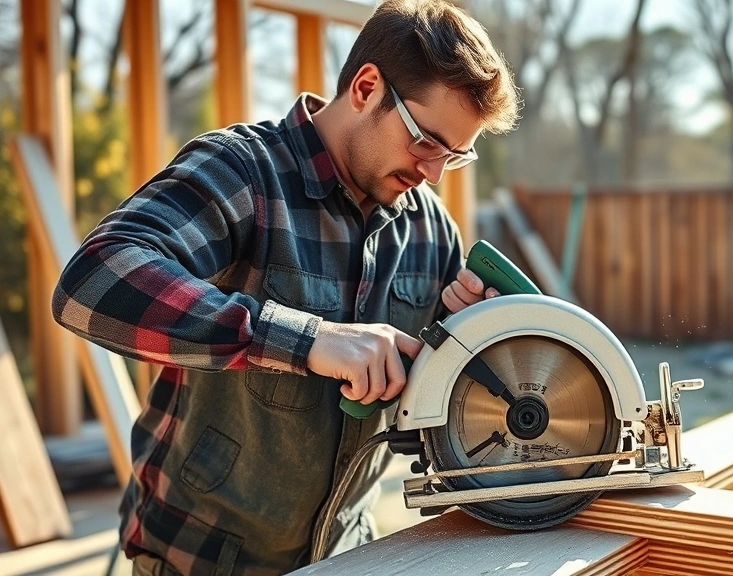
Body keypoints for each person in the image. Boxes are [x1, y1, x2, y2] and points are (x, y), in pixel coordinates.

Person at [51, 0, 521, 573]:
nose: (434, 173)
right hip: (200, 559)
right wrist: (306, 340)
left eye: (456, 154)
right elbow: (93, 279)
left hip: (346, 554)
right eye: (425, 141)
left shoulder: (427, 225)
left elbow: (445, 396)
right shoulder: (243, 172)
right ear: (367, 87)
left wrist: (473, 333)